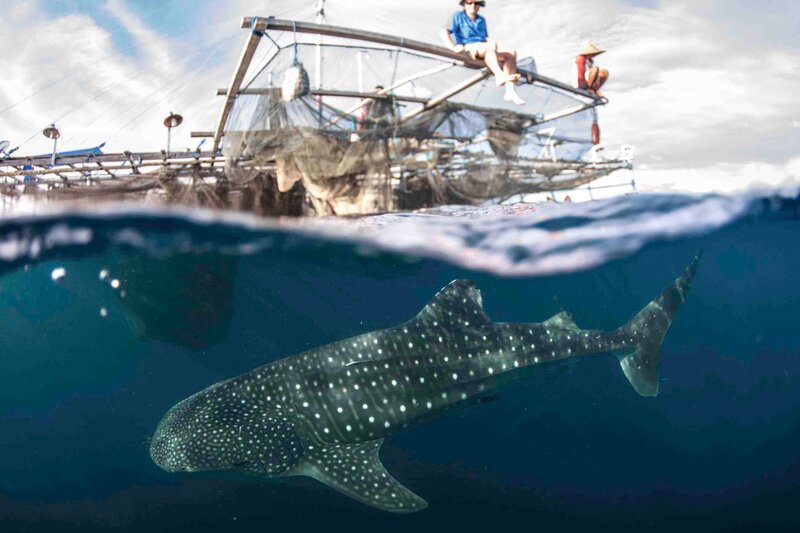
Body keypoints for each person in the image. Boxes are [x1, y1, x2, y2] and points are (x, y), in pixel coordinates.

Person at [440, 0, 525, 105]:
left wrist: (492, 44)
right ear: (464, 4)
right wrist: (453, 47)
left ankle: (510, 91)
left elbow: (484, 39)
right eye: (470, 3)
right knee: (490, 46)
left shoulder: (481, 20)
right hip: (468, 49)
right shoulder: (457, 16)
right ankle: (499, 75)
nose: (473, 6)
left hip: (484, 49)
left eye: (476, 3)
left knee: (510, 53)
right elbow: (444, 32)